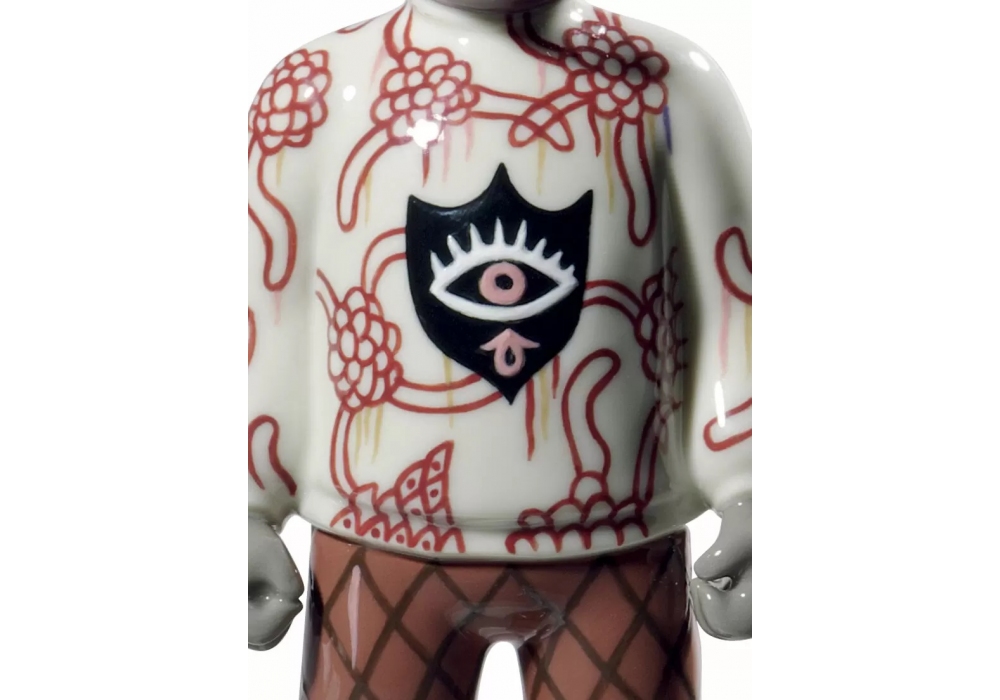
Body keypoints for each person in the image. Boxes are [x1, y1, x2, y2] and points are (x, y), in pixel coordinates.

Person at [248, 1, 751, 696]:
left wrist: (750, 486)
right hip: (378, 533)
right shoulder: (317, 91)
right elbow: (267, 313)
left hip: (618, 541)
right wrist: (246, 500)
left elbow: (736, 305)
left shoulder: (670, 87)